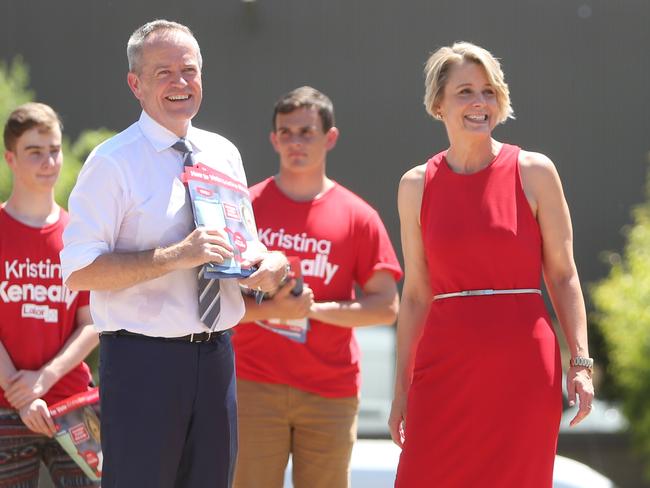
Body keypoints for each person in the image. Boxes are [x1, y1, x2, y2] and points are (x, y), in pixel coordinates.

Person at [60, 20, 288, 488]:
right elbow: (80, 272)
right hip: (143, 362)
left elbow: (242, 242)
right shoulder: (111, 162)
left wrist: (267, 264)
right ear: (135, 84)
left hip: (217, 356)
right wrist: (172, 257)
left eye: (189, 69)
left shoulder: (222, 152)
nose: (180, 82)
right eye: (163, 72)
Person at [388, 42, 595, 487]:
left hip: (522, 365)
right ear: (438, 104)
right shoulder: (415, 185)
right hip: (441, 366)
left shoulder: (534, 171)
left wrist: (580, 362)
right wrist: (401, 387)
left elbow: (563, 275)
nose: (480, 102)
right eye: (465, 91)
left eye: (488, 91)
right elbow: (417, 295)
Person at [232, 86, 403, 488]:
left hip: (330, 390)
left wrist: (311, 311)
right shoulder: (246, 208)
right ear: (273, 139)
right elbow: (218, 302)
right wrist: (274, 310)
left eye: (306, 131)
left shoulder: (358, 216)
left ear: (330, 138)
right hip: (253, 384)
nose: (295, 142)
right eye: (286, 132)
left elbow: (385, 307)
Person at [0, 102, 99, 487]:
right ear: (11, 158)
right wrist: (22, 394)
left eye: (54, 150)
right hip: (5, 407)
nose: (48, 161)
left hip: (71, 403)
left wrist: (44, 379)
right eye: (34, 152)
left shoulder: (79, 234)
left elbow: (93, 324)